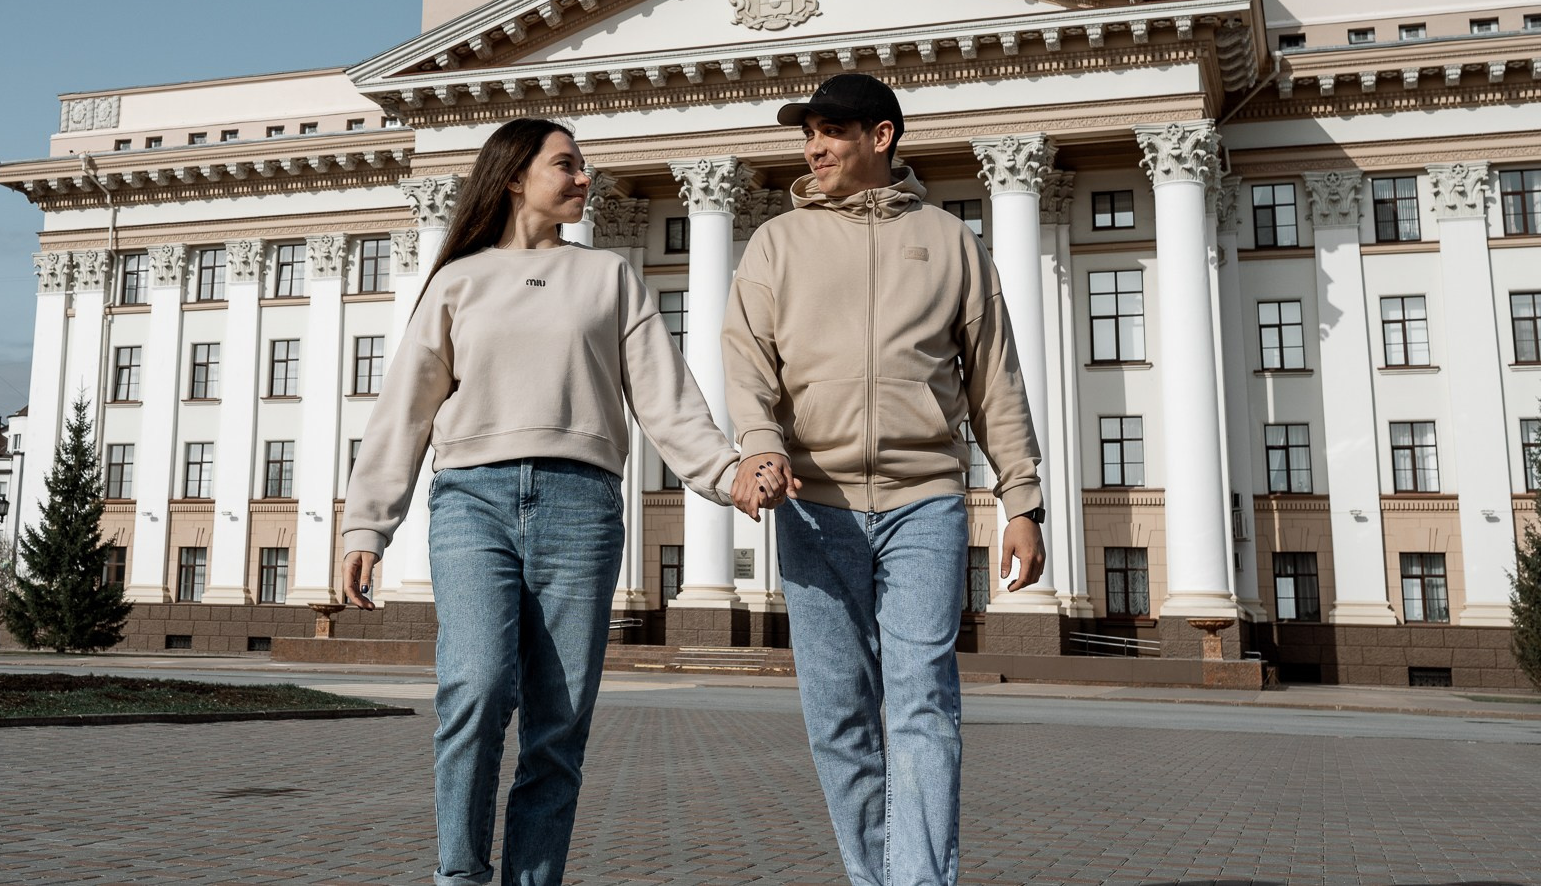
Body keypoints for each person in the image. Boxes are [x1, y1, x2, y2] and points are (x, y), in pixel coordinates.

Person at [340, 116, 746, 886]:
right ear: (516, 175)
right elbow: (406, 408)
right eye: (568, 164)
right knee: (477, 684)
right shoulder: (457, 280)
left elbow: (667, 398)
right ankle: (459, 874)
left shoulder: (608, 278)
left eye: (584, 164)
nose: (585, 177)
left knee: (558, 727)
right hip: (472, 501)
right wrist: (368, 523)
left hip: (581, 506)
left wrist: (726, 474)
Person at [724, 73, 1045, 886]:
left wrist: (1022, 499)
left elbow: (995, 382)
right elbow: (747, 362)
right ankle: (876, 877)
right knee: (838, 717)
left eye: (831, 129)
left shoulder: (950, 242)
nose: (814, 146)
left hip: (925, 502)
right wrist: (760, 444)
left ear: (882, 136)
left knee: (923, 702)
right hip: (812, 506)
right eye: (808, 132)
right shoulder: (777, 242)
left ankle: (920, 881)